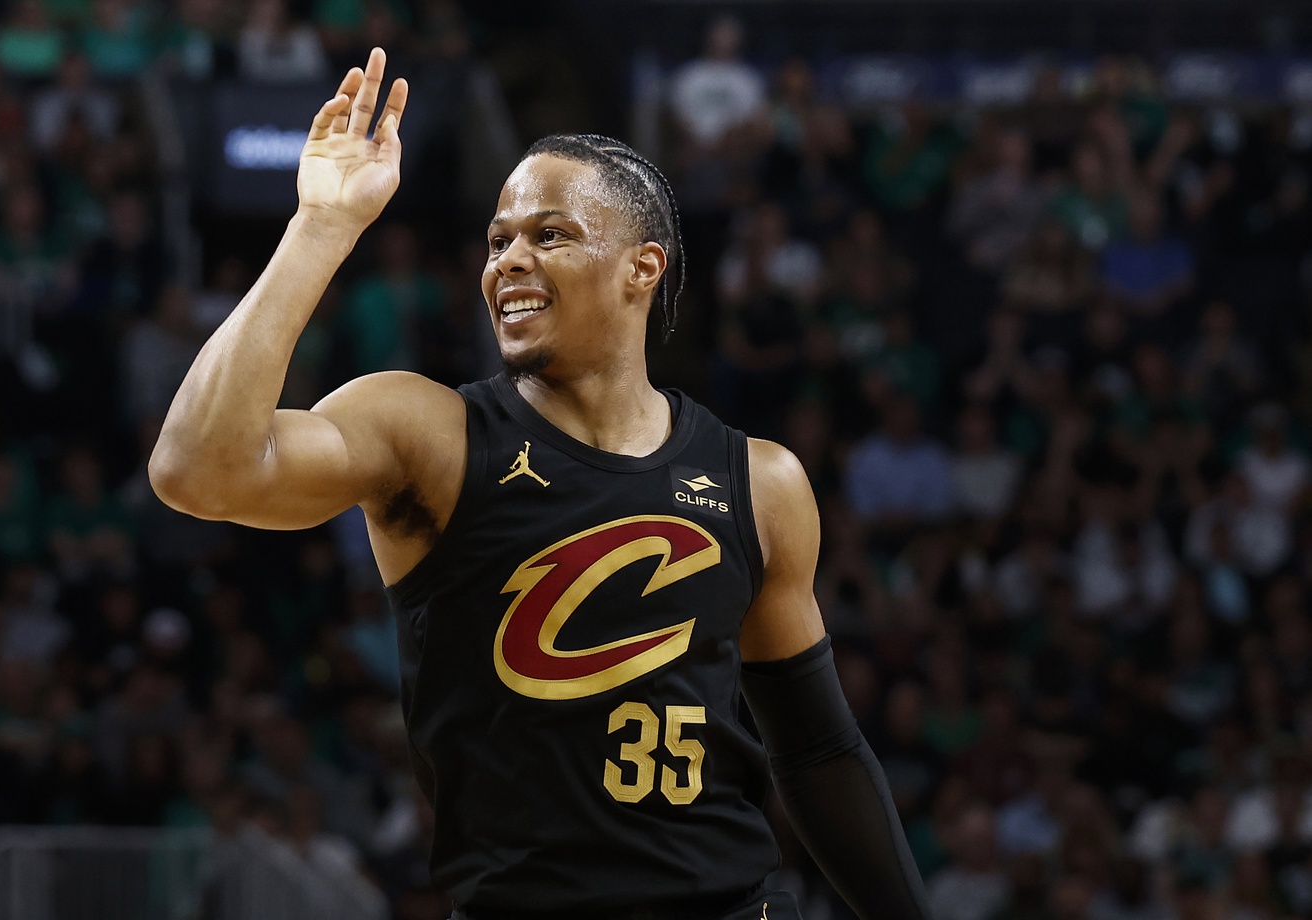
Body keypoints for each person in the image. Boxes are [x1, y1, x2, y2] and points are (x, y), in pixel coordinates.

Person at [150, 48, 928, 919]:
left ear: (644, 266)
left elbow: (819, 751)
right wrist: (321, 227)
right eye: (497, 241)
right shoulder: (430, 434)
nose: (508, 261)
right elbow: (196, 470)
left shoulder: (761, 480)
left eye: (549, 235)